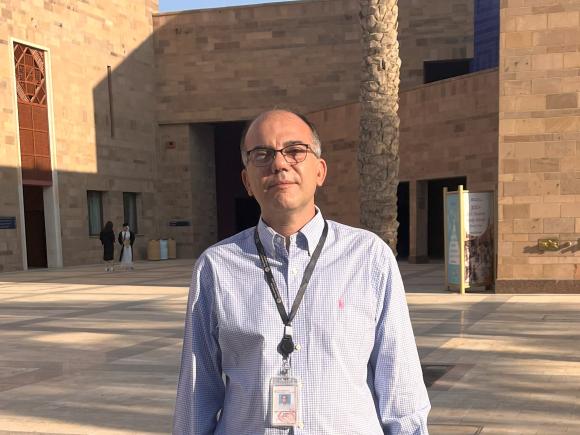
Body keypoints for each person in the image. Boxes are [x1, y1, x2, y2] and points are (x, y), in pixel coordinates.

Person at [173, 110, 430, 434]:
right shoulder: (217, 267)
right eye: (262, 154)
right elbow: (197, 395)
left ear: (320, 170)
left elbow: (401, 389)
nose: (279, 164)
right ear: (247, 181)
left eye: (295, 151)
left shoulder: (368, 258)